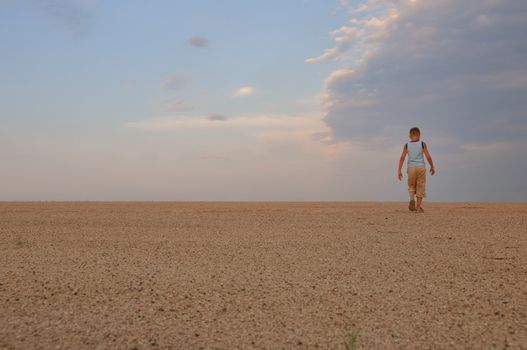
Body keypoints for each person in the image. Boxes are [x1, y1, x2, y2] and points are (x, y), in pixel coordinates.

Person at [397, 127, 435, 212]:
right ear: (419, 135)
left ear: (410, 136)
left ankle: (411, 199)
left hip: (411, 168)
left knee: (411, 186)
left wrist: (399, 170)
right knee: (420, 187)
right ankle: (418, 208)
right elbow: (428, 156)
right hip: (421, 167)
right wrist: (432, 166)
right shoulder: (422, 144)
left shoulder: (407, 145)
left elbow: (402, 158)